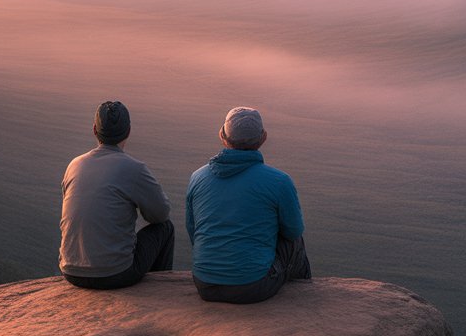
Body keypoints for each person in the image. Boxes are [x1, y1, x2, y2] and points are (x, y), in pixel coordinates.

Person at [186, 106, 311, 304]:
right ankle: (307, 299)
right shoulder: (279, 181)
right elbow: (294, 231)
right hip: (252, 286)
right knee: (294, 241)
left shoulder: (197, 177)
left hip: (204, 284)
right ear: (263, 138)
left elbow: (193, 231)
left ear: (222, 136)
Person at [59, 101, 174, 289]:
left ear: (95, 130)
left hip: (71, 271)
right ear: (128, 131)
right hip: (115, 274)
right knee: (165, 228)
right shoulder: (134, 169)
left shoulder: (74, 165)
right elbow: (160, 214)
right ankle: (158, 290)